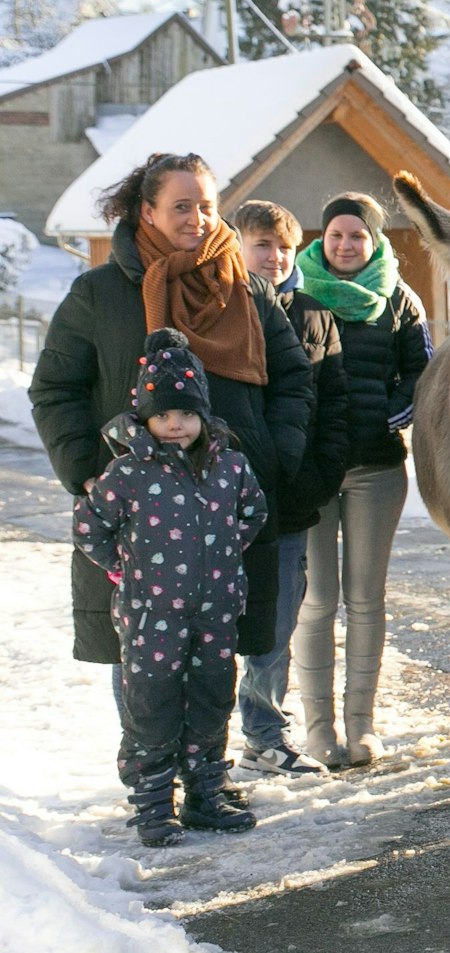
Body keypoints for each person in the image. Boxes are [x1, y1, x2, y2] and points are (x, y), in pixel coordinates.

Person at [30, 153, 312, 791]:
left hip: (219, 519)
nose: (197, 217)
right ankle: (154, 786)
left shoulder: (248, 288)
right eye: (181, 205)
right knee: (140, 657)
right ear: (146, 212)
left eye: (207, 204)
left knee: (215, 656)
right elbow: (54, 390)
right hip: (138, 518)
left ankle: (206, 782)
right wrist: (87, 472)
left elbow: (295, 378)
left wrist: (273, 453)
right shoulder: (100, 293)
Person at [75, 329, 268, 845]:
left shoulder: (229, 466)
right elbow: (89, 525)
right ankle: (154, 805)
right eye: (163, 415)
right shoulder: (129, 472)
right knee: (152, 704)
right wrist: (123, 568)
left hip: (216, 610)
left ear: (202, 415)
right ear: (146, 419)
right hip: (151, 615)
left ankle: (206, 793)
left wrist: (224, 557)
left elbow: (253, 513)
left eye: (184, 414)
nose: (175, 424)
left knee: (211, 697)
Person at [293, 192, 431, 769]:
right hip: (314, 471)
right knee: (317, 599)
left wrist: (394, 413)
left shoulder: (400, 300)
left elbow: (422, 373)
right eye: (336, 235)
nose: (346, 245)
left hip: (376, 467)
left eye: (357, 236)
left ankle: (362, 725)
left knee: (366, 598)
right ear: (321, 239)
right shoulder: (293, 297)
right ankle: (319, 727)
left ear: (375, 241)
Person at [232, 200, 350, 776]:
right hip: (220, 501)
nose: (273, 257)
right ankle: (201, 742)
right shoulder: (220, 309)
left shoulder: (314, 316)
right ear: (236, 246)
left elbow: (333, 408)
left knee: (277, 621)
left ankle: (262, 733)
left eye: (283, 246)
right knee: (213, 624)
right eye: (261, 245)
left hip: (288, 500)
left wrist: (316, 478)